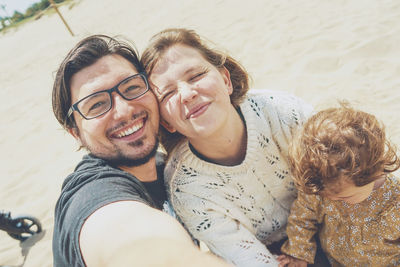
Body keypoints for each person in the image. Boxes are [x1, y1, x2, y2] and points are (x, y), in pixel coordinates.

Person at [51, 34, 230, 267]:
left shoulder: (168, 166)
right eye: (96, 105)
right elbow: (133, 241)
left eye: (132, 87)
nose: (124, 110)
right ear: (76, 132)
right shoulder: (91, 195)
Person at [141, 28, 314, 266]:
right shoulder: (188, 191)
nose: (187, 94)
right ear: (167, 123)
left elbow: (352, 183)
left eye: (195, 76)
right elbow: (253, 261)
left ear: (225, 80)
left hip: (332, 218)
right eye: (168, 93)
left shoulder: (283, 113)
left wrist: (304, 244)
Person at [277, 104, 400, 267]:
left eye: (343, 197)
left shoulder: (395, 203)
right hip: (332, 261)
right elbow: (302, 218)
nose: (332, 200)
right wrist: (299, 252)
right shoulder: (323, 187)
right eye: (326, 196)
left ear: (374, 173)